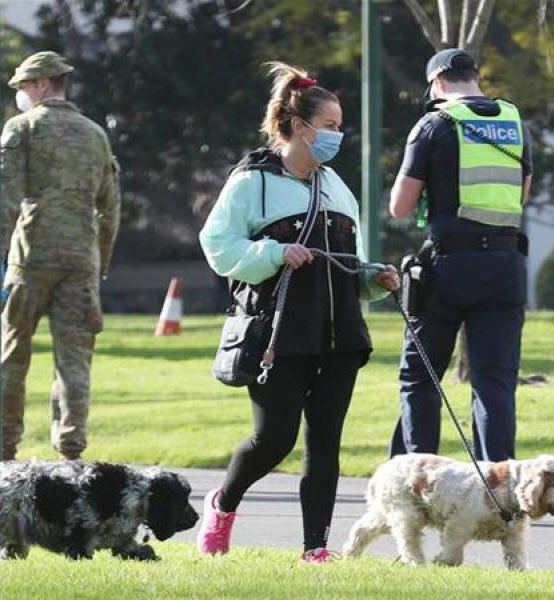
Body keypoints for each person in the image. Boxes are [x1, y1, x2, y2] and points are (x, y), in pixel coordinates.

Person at [196, 63, 400, 563]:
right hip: (278, 334)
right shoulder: (250, 183)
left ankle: (316, 550)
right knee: (274, 439)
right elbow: (218, 247)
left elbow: (349, 264)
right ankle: (222, 504)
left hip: (341, 335)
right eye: (330, 125)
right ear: (299, 124)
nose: (338, 135)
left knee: (325, 442)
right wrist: (272, 253)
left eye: (340, 125)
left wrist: (376, 278)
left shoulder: (337, 188)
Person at [387, 48, 531, 462]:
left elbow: (400, 206)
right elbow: (522, 193)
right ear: (475, 77)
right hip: (505, 265)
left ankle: (419, 477)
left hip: (449, 267)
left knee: (421, 377)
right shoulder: (514, 121)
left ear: (437, 83)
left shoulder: (433, 124)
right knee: (494, 381)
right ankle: (499, 486)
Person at [0, 51, 122, 461]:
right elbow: (110, 208)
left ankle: (3, 445)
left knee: (13, 354)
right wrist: (99, 262)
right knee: (74, 360)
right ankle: (71, 446)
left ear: (41, 84)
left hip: (30, 256)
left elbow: (7, 201)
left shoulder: (22, 129)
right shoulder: (94, 135)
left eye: (22, 86)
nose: (19, 94)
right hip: (80, 260)